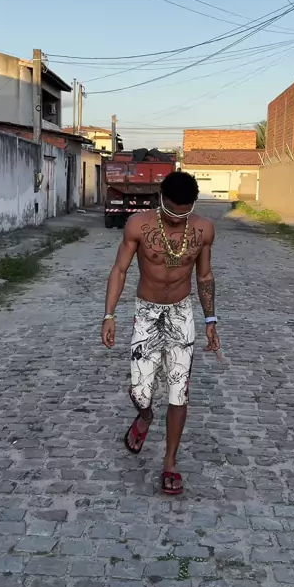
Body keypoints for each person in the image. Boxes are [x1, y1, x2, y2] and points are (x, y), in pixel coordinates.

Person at [102, 170, 220, 495]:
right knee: (141, 391)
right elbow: (120, 269)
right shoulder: (138, 225)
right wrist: (109, 314)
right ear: (160, 199)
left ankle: (170, 462)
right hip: (147, 312)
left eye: (183, 214)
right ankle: (144, 415)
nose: (176, 221)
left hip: (181, 313)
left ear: (193, 205)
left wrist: (210, 320)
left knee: (178, 391)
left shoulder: (204, 229)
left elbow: (204, 276)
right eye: (170, 214)